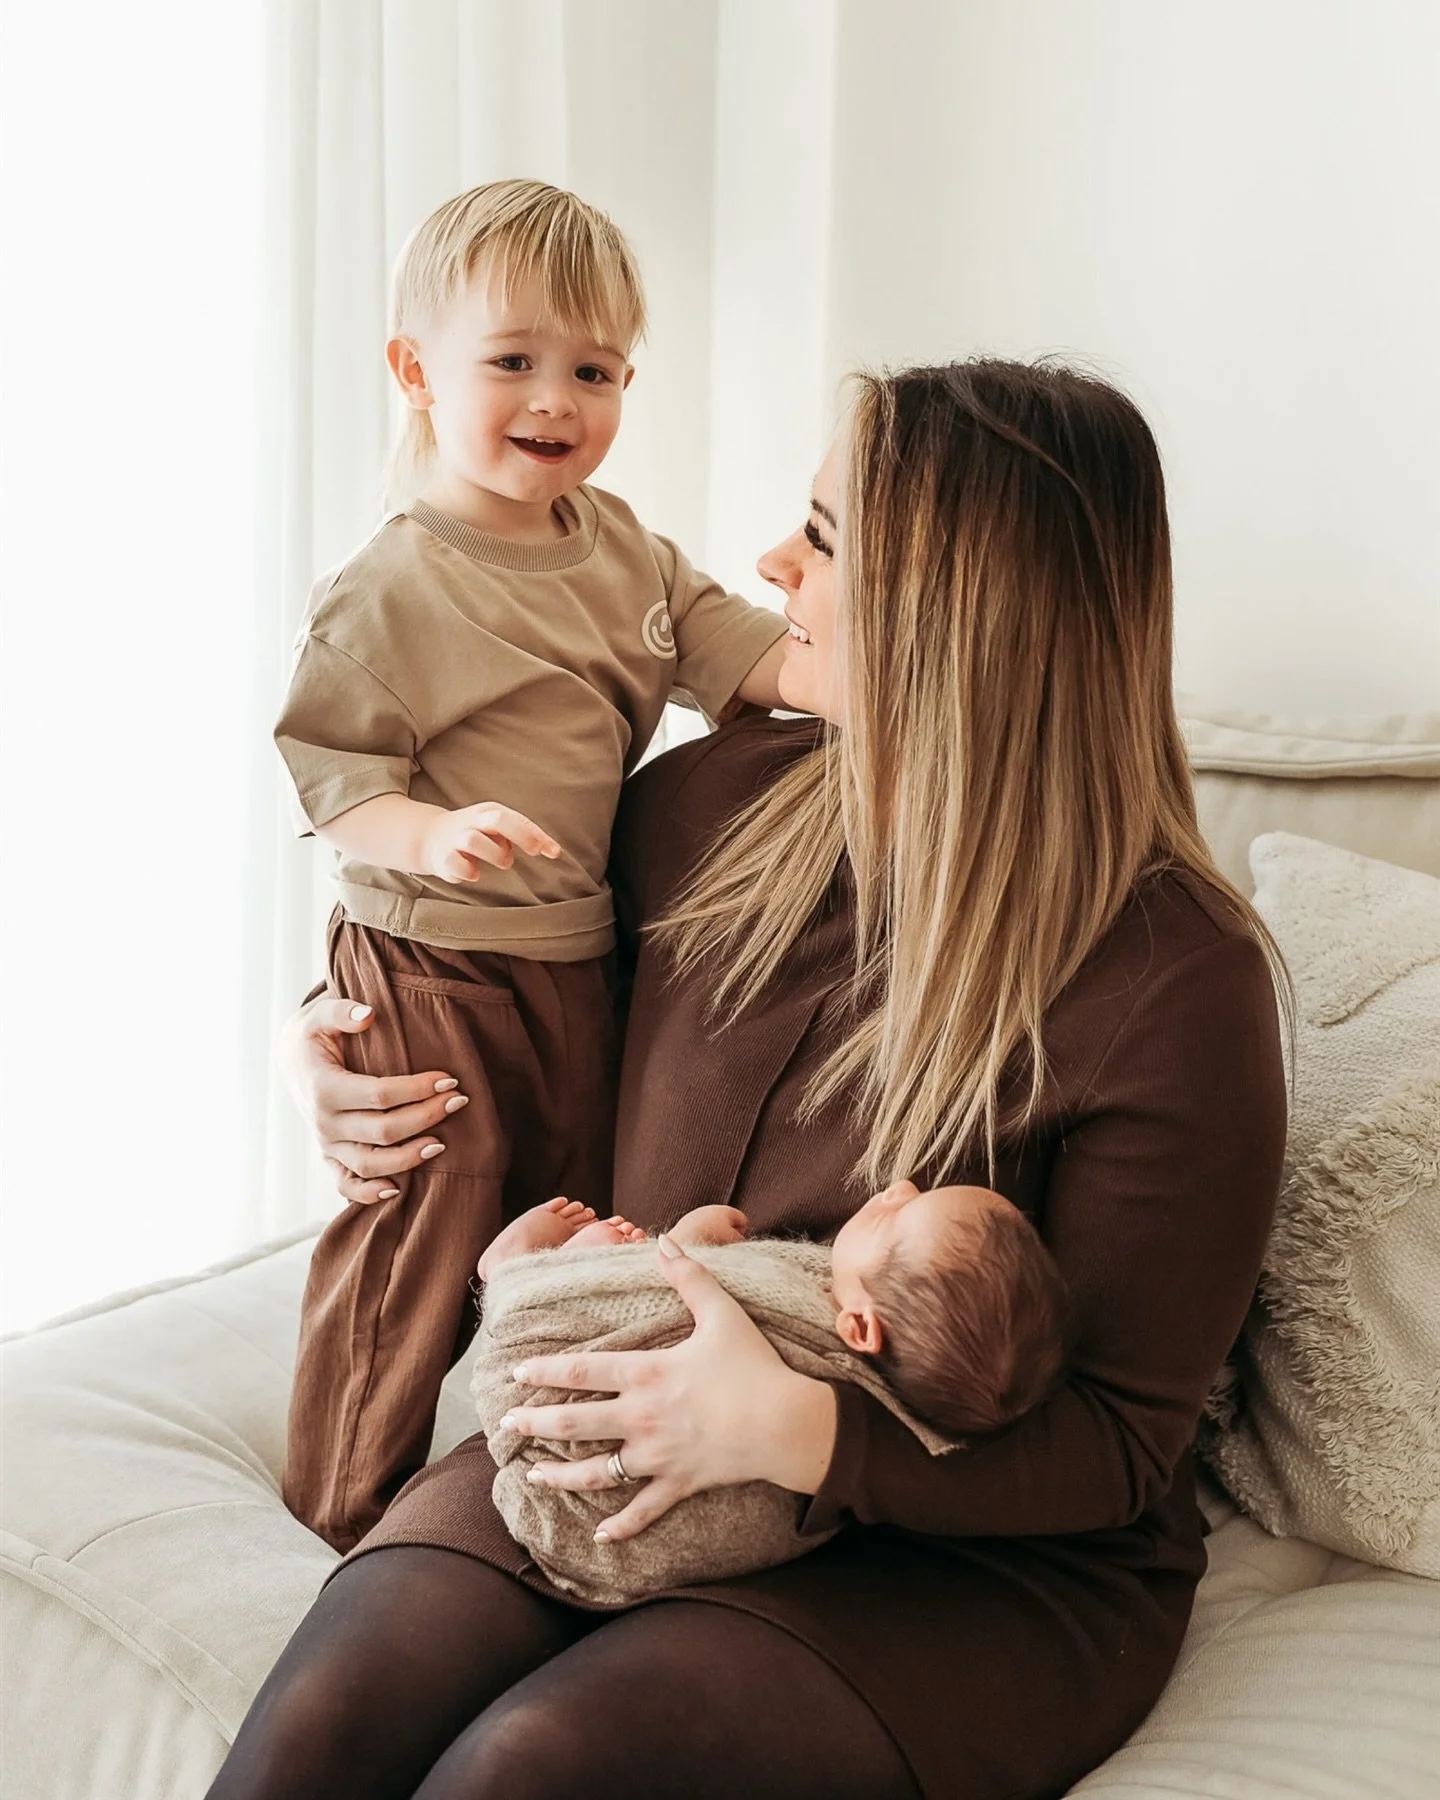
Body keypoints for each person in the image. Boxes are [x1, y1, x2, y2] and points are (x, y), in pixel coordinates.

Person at [209, 358, 1288, 1800]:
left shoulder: (1177, 983)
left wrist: (793, 1428)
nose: (774, 562)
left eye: (827, 536)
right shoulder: (703, 806)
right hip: (619, 1427)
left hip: (961, 1553)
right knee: (324, 1730)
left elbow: (1115, 1447)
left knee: (531, 1768)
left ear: (956, 604)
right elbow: (480, 976)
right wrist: (322, 1052)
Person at [273, 179, 787, 1552]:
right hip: (425, 953)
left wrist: (882, 669)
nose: (556, 400)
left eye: (595, 371)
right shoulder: (394, 584)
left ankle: (521, 1470)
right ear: (416, 372)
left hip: (572, 958)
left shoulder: (625, 553)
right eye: (513, 362)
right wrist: (431, 835)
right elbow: (336, 782)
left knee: (566, 1207)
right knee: (430, 1211)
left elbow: (751, 658)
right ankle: (344, 1503)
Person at [466, 1185, 1071, 1603]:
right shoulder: (911, 1404)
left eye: (895, 1216)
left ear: (860, 1328)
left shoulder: (816, 1345)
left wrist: (690, 1239)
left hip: (558, 1424)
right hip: (622, 1540)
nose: (899, 1188)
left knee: (619, 1269)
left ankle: (516, 1272)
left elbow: (704, 1292)